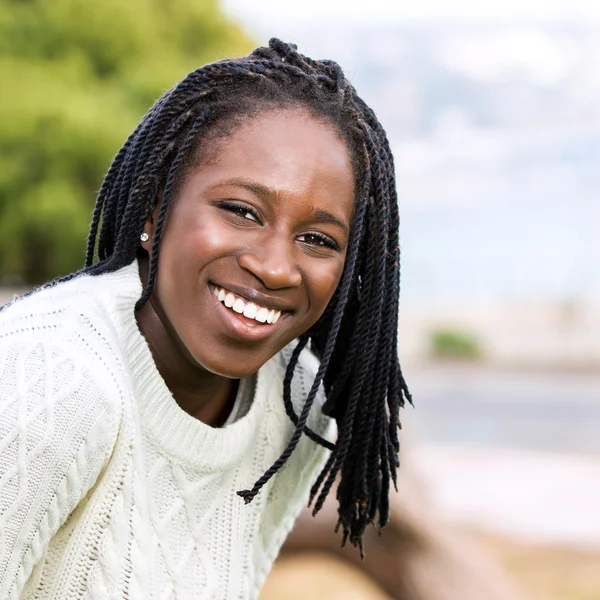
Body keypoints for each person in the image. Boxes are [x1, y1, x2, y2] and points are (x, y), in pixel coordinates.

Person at [0, 39, 411, 599]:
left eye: (317, 239)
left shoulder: (293, 410)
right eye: (241, 211)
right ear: (154, 208)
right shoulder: (53, 381)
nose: (273, 267)